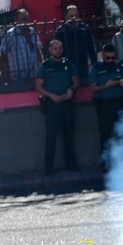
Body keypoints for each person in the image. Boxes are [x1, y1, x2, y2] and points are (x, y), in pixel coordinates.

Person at [36, 39, 79, 175]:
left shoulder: (69, 64)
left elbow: (76, 81)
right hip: (52, 105)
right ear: (50, 50)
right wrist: (51, 96)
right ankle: (49, 168)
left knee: (69, 135)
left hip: (67, 103)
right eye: (55, 48)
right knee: (51, 137)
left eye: (60, 48)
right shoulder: (45, 66)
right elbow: (38, 86)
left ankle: (71, 165)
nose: (58, 50)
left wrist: (71, 90)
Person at [89, 43, 123, 170]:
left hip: (119, 103)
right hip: (104, 105)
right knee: (105, 136)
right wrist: (107, 86)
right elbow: (93, 89)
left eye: (113, 58)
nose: (111, 60)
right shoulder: (96, 68)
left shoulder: (120, 66)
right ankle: (105, 164)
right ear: (103, 55)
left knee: (122, 134)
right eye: (108, 58)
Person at [0, 9, 43, 85]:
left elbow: (39, 51)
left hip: (34, 75)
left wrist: (42, 69)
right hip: (18, 77)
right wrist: (4, 73)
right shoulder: (11, 34)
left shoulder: (32, 32)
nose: (25, 22)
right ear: (16, 20)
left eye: (27, 19)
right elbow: (2, 55)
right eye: (23, 19)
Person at [55, 4, 97, 81]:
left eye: (76, 15)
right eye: (71, 16)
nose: (74, 18)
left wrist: (94, 64)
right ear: (66, 16)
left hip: (83, 65)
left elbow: (91, 48)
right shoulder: (60, 31)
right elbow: (57, 50)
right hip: (67, 65)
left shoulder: (84, 28)